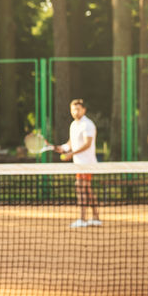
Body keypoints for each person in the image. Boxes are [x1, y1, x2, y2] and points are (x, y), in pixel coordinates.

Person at [54, 98, 101, 228]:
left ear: (84, 110)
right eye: (73, 109)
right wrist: (63, 148)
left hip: (87, 164)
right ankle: (96, 217)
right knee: (87, 189)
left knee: (80, 188)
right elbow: (71, 143)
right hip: (78, 164)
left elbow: (87, 143)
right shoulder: (74, 125)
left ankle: (82, 219)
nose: (75, 111)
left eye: (78, 109)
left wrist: (71, 154)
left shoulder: (88, 124)